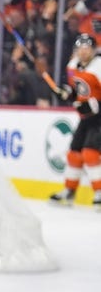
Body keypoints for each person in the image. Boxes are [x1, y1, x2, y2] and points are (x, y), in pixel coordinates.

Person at [49, 33, 101, 209]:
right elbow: (75, 90)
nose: (84, 52)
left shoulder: (99, 66)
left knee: (90, 153)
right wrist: (64, 93)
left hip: (99, 118)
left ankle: (99, 193)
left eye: (87, 48)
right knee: (74, 153)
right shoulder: (72, 65)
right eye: (81, 48)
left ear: (94, 50)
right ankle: (69, 191)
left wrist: (94, 106)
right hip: (86, 118)